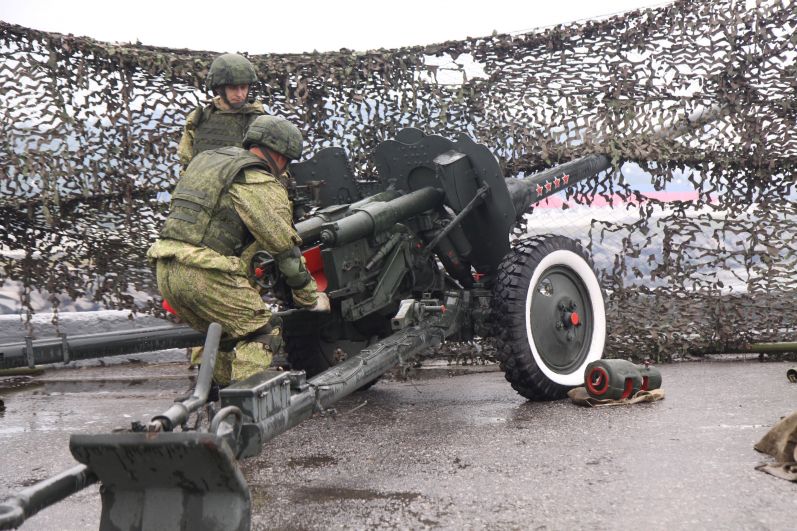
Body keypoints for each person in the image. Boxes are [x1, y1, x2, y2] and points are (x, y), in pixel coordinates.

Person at [149, 115, 330, 392]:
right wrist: (308, 296)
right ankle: (242, 412)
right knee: (263, 331)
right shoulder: (257, 180)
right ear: (281, 156)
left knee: (224, 337)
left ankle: (213, 401)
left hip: (166, 269)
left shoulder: (207, 163)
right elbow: (284, 249)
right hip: (205, 274)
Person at [177, 53, 267, 170]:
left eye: (243, 87)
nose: (240, 94)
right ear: (219, 88)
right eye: (233, 88)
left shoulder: (262, 122)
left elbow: (275, 170)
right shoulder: (198, 118)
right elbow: (186, 163)